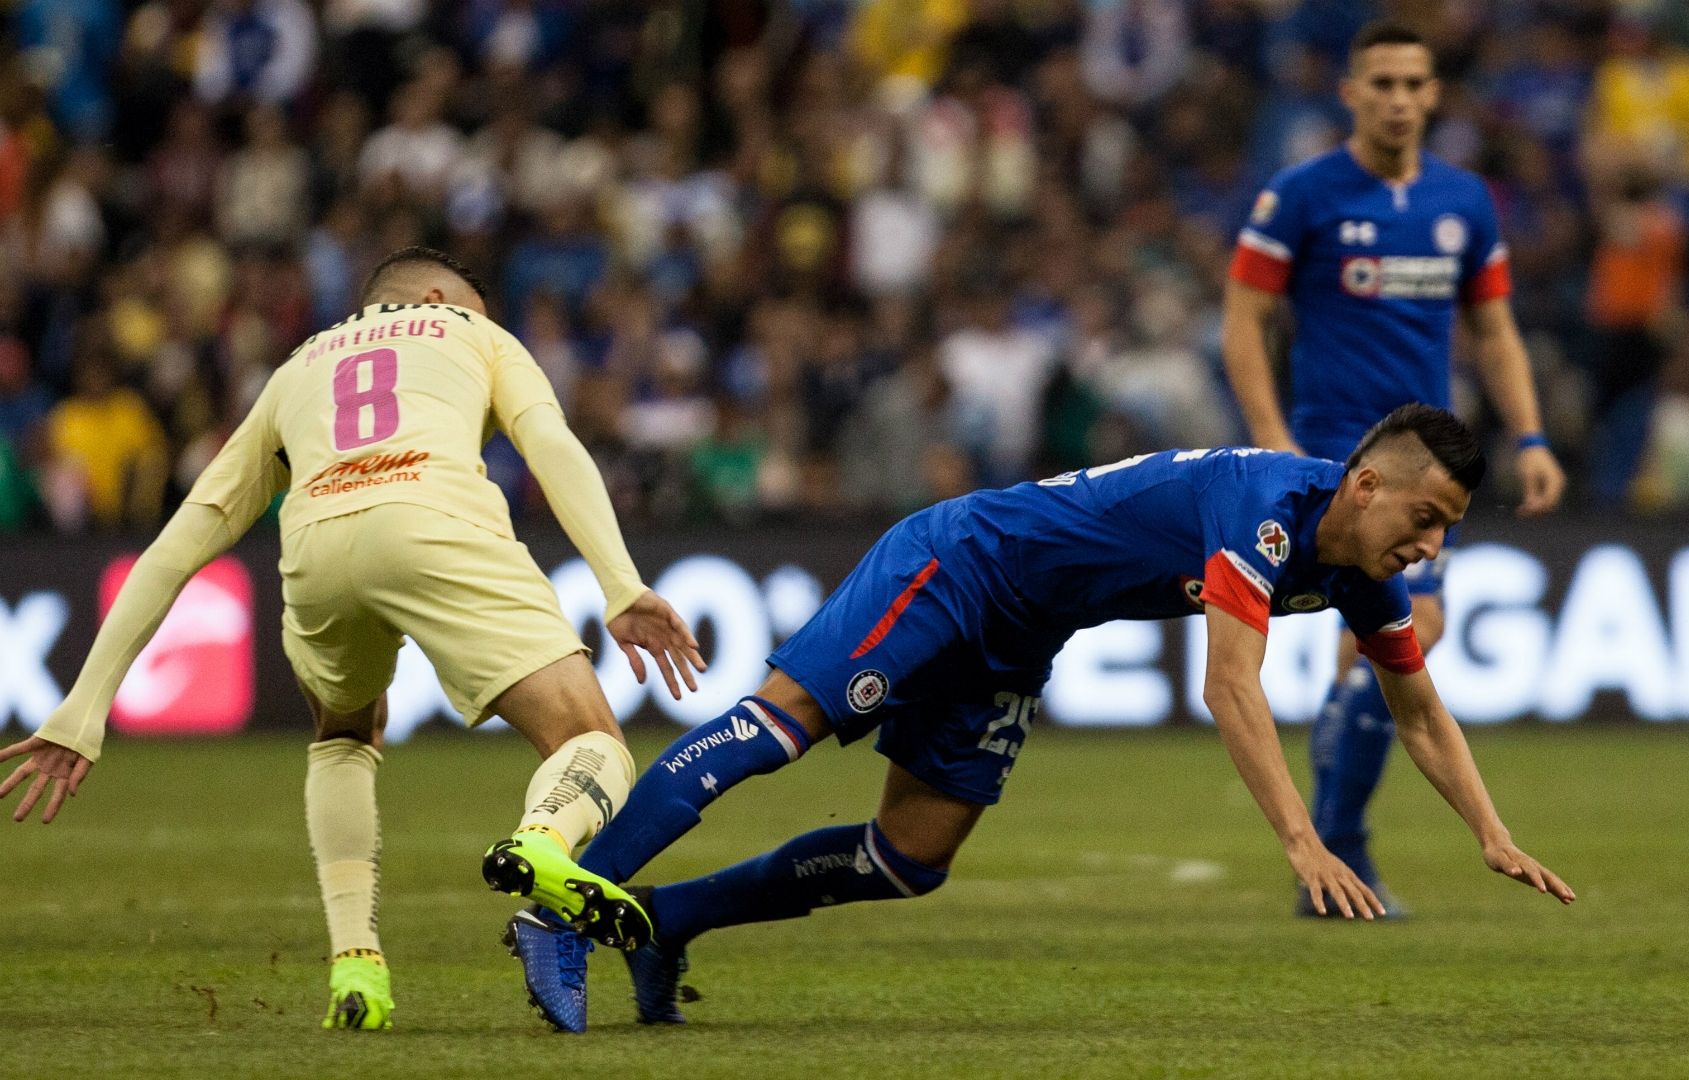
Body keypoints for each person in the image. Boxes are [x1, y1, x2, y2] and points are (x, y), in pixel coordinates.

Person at [507, 404, 1574, 1032]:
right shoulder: (1263, 510)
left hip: (1021, 634)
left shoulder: (1365, 574)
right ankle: (558, 907)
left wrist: (1491, 832)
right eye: (1425, 518)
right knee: (782, 726)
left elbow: (1419, 710)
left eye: (1446, 530)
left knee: (910, 857)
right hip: (960, 562)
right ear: (1367, 483)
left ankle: (667, 922)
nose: (1430, 547)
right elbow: (1230, 687)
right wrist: (1302, 841)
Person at [0, 247, 707, 1031]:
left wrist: (83, 706)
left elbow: (182, 541)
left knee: (343, 734)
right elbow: (551, 444)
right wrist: (620, 584)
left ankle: (357, 967)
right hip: (435, 521)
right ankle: (541, 842)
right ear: (437, 297)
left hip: (316, 545)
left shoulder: (294, 370)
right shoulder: (475, 333)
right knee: (588, 739)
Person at [1219, 21, 1567, 914]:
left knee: (1373, 653)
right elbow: (1243, 319)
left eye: (1414, 83)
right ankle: (1341, 847)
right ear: (1350, 93)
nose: (1399, 100)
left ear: (1434, 94)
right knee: (1412, 632)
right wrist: (1271, 437)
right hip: (1338, 458)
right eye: (1382, 83)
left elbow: (1494, 328)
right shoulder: (1301, 195)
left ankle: (1336, 855)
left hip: (1427, 463)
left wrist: (1530, 436)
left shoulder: (1464, 201)